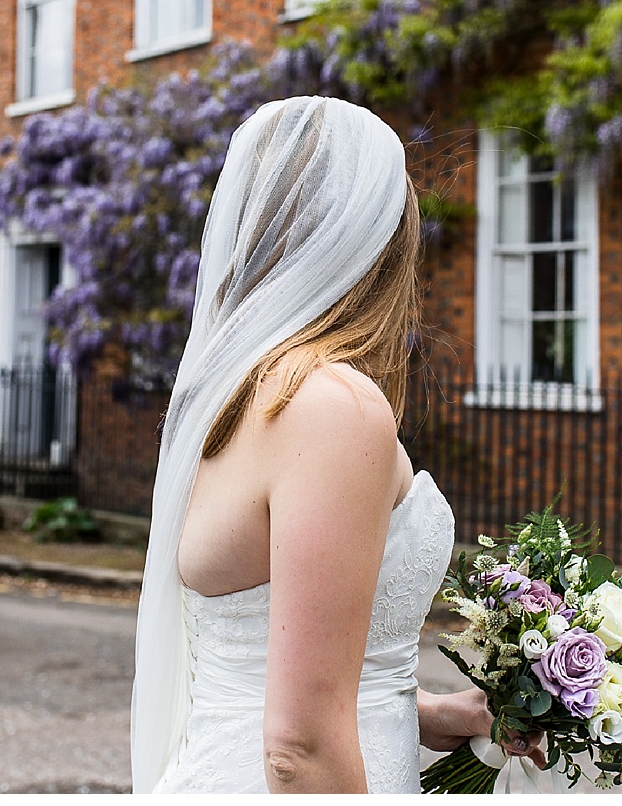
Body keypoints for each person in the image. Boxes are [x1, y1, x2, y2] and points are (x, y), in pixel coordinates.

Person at [131, 97, 540, 793]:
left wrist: (423, 712)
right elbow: (299, 746)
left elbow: (266, 655)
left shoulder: (244, 390)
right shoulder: (332, 408)